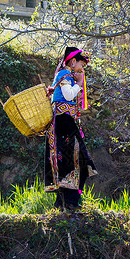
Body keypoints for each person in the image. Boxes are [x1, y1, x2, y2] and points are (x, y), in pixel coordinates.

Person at [44, 47, 98, 211]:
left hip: (65, 122)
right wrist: (80, 84)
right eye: (82, 64)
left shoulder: (64, 76)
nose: (82, 69)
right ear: (73, 61)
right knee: (73, 160)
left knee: (70, 161)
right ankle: (69, 201)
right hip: (64, 123)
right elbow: (68, 95)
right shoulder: (64, 75)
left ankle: (66, 201)